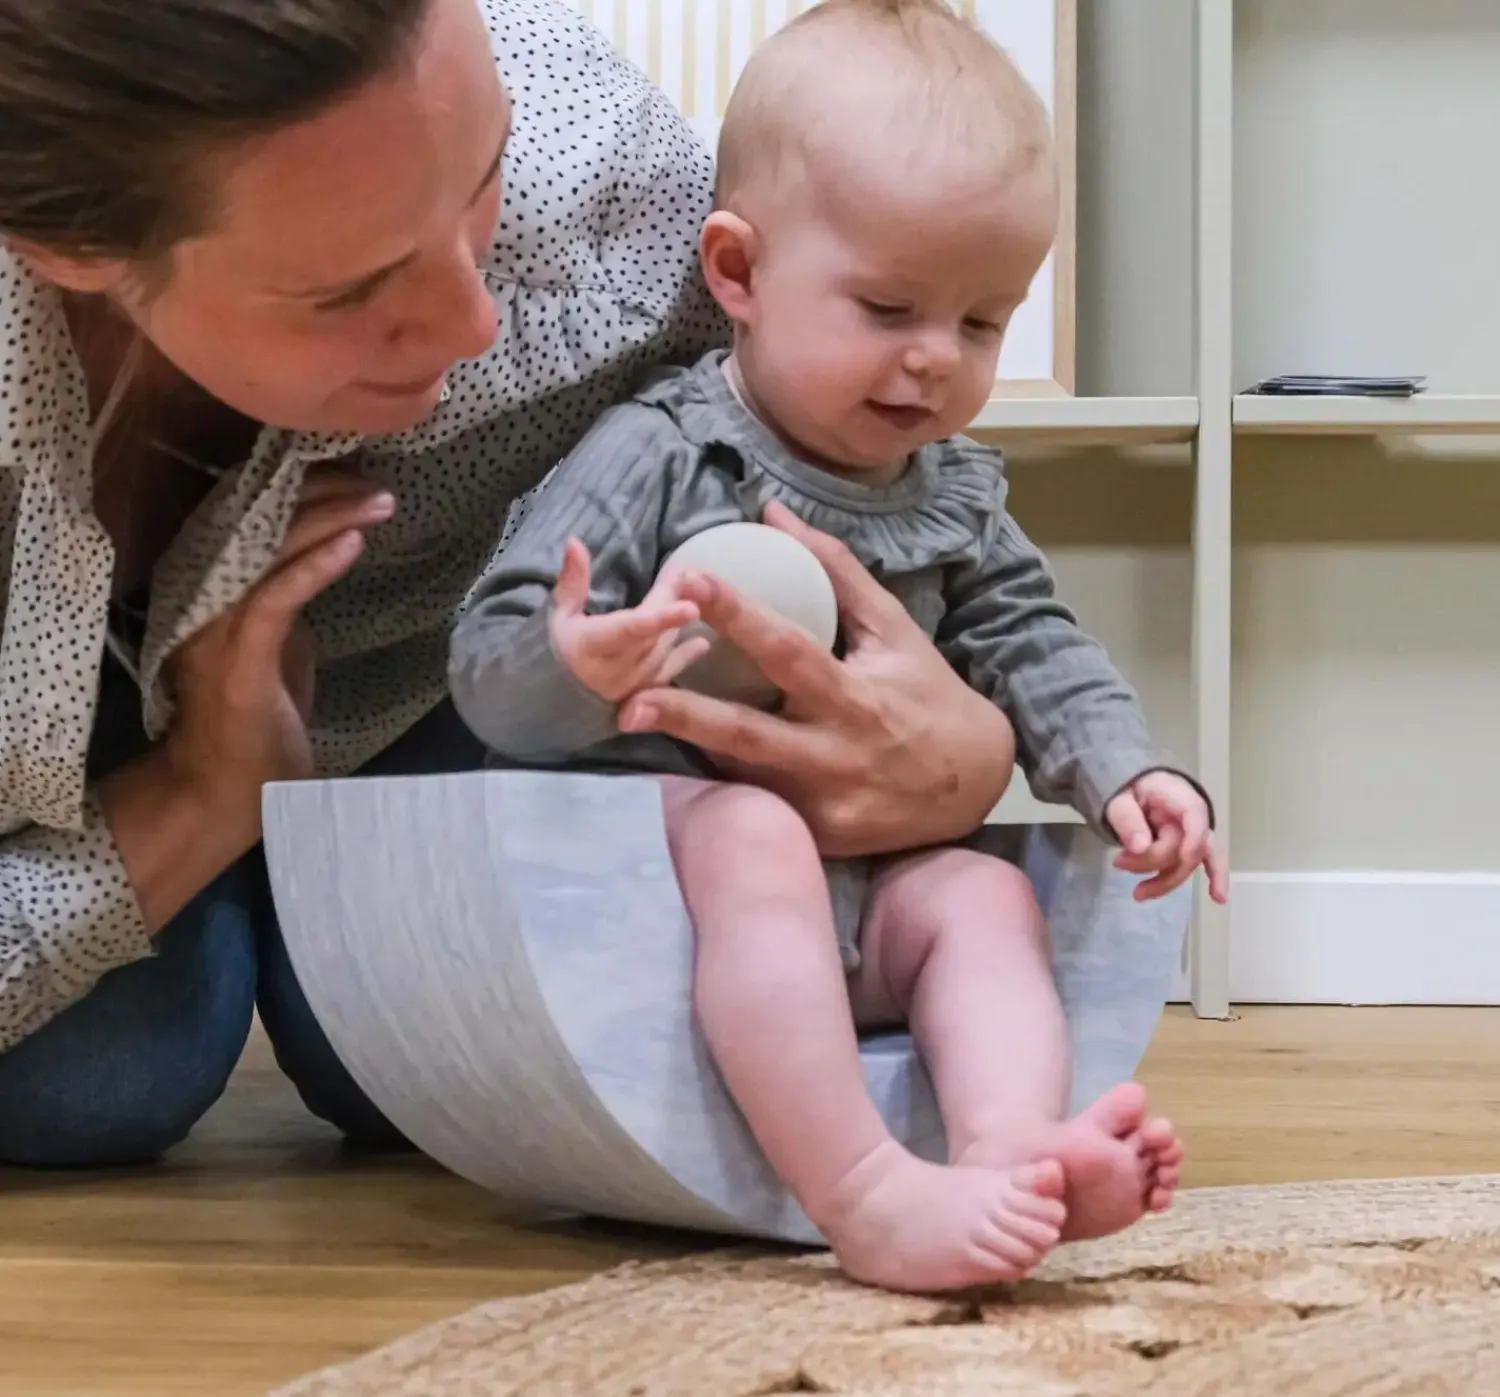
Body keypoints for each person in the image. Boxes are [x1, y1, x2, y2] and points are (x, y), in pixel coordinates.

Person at [0, 0, 1048, 1168]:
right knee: (100, 1080)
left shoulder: (596, 172)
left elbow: (854, 408)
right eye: (350, 290)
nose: (475, 322)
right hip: (60, 751)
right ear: (64, 244)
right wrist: (204, 793)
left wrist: (968, 743)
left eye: (480, 180)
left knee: (415, 1066)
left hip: (426, 673)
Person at [450, 0, 1228, 1292]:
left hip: (868, 892)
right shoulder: (659, 452)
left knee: (978, 894)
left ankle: (1010, 1155)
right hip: (672, 907)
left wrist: (1129, 771)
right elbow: (490, 666)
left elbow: (1036, 643)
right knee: (752, 830)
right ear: (738, 274)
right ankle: (863, 1190)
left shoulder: (955, 493)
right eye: (887, 306)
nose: (933, 362)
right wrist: (575, 662)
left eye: (981, 324)